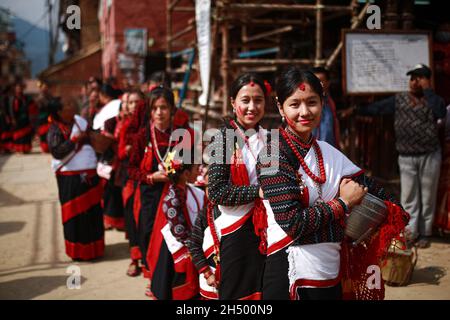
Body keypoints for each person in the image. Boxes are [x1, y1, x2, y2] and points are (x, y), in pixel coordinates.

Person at [257, 67, 408, 300]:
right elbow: (294, 223)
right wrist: (343, 203)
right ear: (280, 107)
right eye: (294, 104)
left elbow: (377, 192)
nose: (305, 112)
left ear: (323, 103)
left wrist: (396, 214)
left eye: (312, 102)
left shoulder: (327, 153)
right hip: (287, 272)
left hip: (330, 272)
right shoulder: (272, 154)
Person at [360, 63, 447, 249]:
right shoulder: (399, 99)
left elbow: (440, 112)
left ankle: (425, 233)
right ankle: (411, 232)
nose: (413, 82)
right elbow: (376, 108)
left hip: (430, 155)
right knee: (409, 197)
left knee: (428, 196)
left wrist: (428, 90)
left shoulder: (433, 100)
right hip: (407, 156)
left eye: (418, 78)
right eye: (412, 78)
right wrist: (357, 109)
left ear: (426, 80)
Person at [206, 73, 269, 300]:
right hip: (235, 233)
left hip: (264, 230)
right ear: (233, 103)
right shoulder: (223, 140)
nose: (252, 107)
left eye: (258, 100)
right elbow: (216, 191)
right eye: (245, 100)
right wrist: (258, 192)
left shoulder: (270, 139)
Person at [128, 86, 193, 295]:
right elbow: (130, 169)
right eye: (155, 108)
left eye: (163, 107)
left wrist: (182, 171)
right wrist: (150, 177)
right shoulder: (142, 136)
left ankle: (169, 278)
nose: (159, 113)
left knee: (172, 237)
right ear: (149, 110)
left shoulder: (183, 132)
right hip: (151, 193)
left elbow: (192, 163)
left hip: (176, 192)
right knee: (148, 234)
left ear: (172, 109)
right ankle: (152, 277)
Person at [47, 97, 104, 260]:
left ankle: (95, 249)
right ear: (59, 112)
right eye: (67, 104)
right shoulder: (54, 129)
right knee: (75, 215)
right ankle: (78, 252)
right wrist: (73, 140)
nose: (72, 106)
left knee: (92, 212)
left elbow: (94, 139)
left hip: (89, 174)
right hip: (69, 177)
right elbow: (57, 152)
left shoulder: (80, 122)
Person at [146, 151, 202, 300]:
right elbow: (179, 232)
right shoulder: (172, 199)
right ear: (185, 173)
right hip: (178, 245)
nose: (200, 171)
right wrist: (196, 246)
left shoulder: (191, 191)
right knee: (175, 281)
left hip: (190, 241)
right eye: (197, 168)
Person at [117, 90, 146, 276]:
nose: (134, 106)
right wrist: (130, 149)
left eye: (138, 102)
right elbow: (120, 153)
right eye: (131, 102)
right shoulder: (127, 126)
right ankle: (135, 259)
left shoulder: (155, 126)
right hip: (132, 179)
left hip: (152, 179)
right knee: (132, 219)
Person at [93, 84, 124, 230]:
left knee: (114, 191)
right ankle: (112, 220)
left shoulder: (117, 110)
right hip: (112, 157)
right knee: (111, 191)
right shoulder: (110, 116)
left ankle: (116, 221)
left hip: (119, 158)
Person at [310, 67, 341, 149]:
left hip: (327, 151)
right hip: (310, 151)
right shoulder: (275, 135)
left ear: (328, 82)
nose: (316, 84)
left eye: (320, 81)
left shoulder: (331, 103)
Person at [8, 81, 35, 153]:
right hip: (17, 118)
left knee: (26, 135)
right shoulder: (13, 98)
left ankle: (26, 149)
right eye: (18, 88)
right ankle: (19, 149)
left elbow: (31, 104)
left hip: (25, 118)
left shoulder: (25, 97)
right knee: (19, 135)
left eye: (20, 88)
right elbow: (11, 109)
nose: (19, 89)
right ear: (15, 89)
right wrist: (13, 118)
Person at [36, 80, 53, 153]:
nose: (45, 88)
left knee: (50, 133)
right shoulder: (41, 96)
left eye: (46, 87)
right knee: (43, 133)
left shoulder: (49, 95)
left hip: (49, 116)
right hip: (43, 117)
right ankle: (45, 148)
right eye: (44, 87)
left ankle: (49, 147)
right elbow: (47, 105)